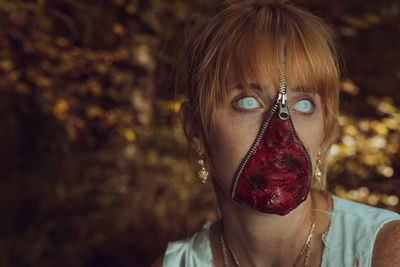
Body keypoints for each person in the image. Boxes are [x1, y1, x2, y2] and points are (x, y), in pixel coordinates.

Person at [152, 0, 400, 266]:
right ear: (195, 130)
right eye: (247, 101)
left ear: (325, 126)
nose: (281, 134)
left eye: (303, 104)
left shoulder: (385, 251)